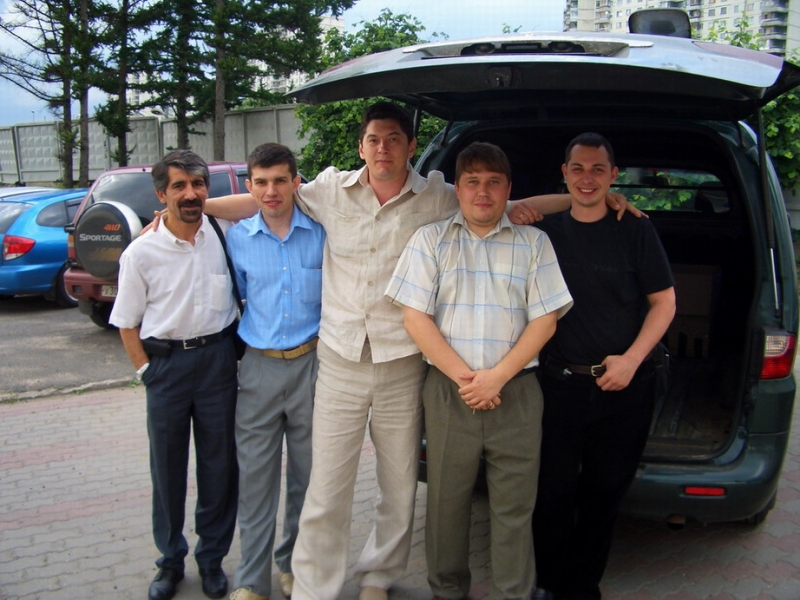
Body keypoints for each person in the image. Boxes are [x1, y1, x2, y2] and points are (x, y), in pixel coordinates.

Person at [201, 102, 635, 600]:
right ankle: (315, 588)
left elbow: (509, 203)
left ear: (410, 146)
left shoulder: (439, 197)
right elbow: (266, 200)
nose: (382, 148)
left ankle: (377, 578)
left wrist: (597, 198)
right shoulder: (328, 190)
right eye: (373, 139)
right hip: (341, 359)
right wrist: (191, 211)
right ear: (361, 146)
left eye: (393, 139)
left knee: (398, 484)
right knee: (327, 485)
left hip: (402, 363)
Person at [386, 142, 573, 600]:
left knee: (514, 505)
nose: (482, 192)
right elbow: (415, 318)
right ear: (458, 189)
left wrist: (497, 377)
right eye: (472, 182)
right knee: (446, 502)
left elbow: (545, 320)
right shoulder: (430, 240)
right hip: (450, 392)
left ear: (508, 189)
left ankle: (514, 592)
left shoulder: (534, 243)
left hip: (517, 393)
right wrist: (468, 380)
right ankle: (447, 590)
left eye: (493, 182)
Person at [520, 133, 676, 600]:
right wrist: (585, 197)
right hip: (558, 385)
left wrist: (632, 360)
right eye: (578, 169)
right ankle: (548, 585)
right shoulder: (544, 231)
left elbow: (665, 303)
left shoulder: (637, 230)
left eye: (598, 170)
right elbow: (507, 208)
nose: (587, 178)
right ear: (564, 173)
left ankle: (583, 588)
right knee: (551, 494)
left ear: (614, 174)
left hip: (624, 387)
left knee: (604, 495)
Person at [110, 149, 239, 600]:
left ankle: (212, 560)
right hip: (166, 368)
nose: (190, 194)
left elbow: (263, 201)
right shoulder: (141, 252)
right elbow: (126, 323)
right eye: (179, 186)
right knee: (167, 470)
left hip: (218, 361)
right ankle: (169, 561)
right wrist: (147, 371)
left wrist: (209, 205)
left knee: (220, 467)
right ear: (160, 194)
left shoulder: (223, 233)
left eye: (198, 184)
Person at [226, 144, 325, 600]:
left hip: (313, 367)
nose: (271, 191)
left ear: (295, 183)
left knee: (309, 477)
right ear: (250, 186)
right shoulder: (237, 240)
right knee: (256, 480)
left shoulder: (321, 233)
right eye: (262, 182)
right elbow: (238, 295)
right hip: (259, 369)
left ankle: (292, 564)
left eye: (280, 180)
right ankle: (251, 579)